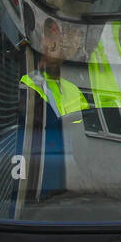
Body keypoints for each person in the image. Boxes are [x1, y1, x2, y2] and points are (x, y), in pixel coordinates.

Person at [19, 18, 88, 199]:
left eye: (75, 40)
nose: (50, 45)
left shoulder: (72, 89)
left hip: (78, 183)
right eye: (49, 37)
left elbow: (89, 136)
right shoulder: (28, 84)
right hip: (44, 184)